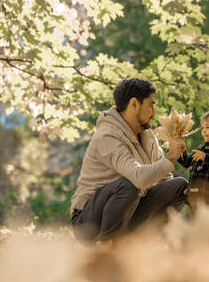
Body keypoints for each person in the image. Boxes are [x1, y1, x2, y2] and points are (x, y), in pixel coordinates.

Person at [70, 78, 188, 248]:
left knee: (179, 186)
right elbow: (138, 178)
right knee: (130, 183)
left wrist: (192, 195)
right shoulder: (107, 136)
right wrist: (170, 158)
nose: (153, 112)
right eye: (150, 105)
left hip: (128, 213)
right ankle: (106, 248)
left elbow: (164, 179)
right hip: (88, 222)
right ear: (134, 104)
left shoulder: (147, 136)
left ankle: (144, 244)